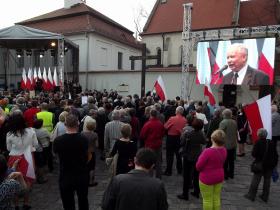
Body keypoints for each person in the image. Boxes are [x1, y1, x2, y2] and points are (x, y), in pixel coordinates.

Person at [102, 148, 168, 210]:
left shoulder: (117, 180)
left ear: (134, 160)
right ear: (152, 166)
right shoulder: (158, 185)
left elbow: (106, 205)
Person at [53, 114, 89, 210]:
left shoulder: (58, 141)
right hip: (81, 174)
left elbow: (55, 154)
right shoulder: (84, 139)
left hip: (66, 174)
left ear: (65, 124)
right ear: (77, 124)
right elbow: (88, 155)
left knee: (67, 202)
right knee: (83, 200)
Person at [6, 112, 38, 210]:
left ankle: (16, 204)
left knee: (14, 180)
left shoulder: (9, 134)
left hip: (14, 157)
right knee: (27, 181)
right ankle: (26, 202)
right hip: (28, 156)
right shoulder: (31, 131)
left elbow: (8, 148)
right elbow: (35, 144)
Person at [244, 128, 278, 202]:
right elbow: (276, 155)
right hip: (270, 165)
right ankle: (265, 196)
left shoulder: (258, 142)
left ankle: (251, 195)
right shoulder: (271, 142)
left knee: (256, 180)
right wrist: (275, 164)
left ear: (259, 135)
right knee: (267, 181)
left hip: (260, 164)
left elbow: (254, 154)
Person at [196, 130, 227, 210]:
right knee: (216, 197)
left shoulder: (208, 152)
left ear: (212, 139)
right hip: (219, 176)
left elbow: (198, 166)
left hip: (207, 178)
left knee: (207, 200)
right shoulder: (224, 150)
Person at [177, 119, 206, 200]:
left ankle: (185, 194)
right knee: (196, 175)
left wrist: (182, 134)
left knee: (186, 175)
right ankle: (196, 191)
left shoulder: (188, 133)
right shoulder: (202, 133)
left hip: (188, 155)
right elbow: (204, 142)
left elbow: (182, 143)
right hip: (197, 155)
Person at [140, 109, 165, 179]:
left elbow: (142, 135)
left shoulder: (148, 124)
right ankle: (159, 177)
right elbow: (163, 133)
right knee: (158, 162)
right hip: (158, 145)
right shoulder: (160, 123)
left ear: (150, 115)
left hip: (149, 145)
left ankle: (149, 177)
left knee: (149, 161)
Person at [164, 106, 187, 176]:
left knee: (169, 155)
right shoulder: (185, 120)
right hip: (179, 138)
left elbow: (165, 126)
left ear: (177, 111)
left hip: (171, 138)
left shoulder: (172, 118)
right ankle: (180, 170)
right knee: (179, 155)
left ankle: (169, 171)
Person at [219, 108, 238, 179]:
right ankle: (231, 174)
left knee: (225, 160)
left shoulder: (223, 122)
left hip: (225, 144)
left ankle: (225, 174)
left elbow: (220, 133)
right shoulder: (234, 122)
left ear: (224, 115)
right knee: (231, 160)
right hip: (233, 143)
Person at [82, 119, 98, 187]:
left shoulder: (82, 133)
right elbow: (97, 145)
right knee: (92, 167)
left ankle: (84, 180)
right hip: (91, 152)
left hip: (84, 152)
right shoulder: (94, 134)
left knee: (84, 166)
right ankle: (91, 181)